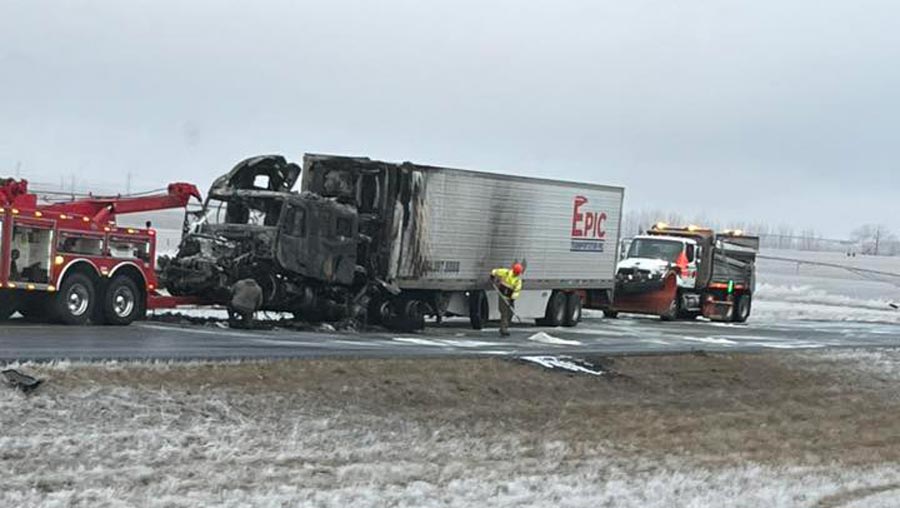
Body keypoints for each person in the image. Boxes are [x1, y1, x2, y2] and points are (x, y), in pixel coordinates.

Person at [490, 262, 524, 337]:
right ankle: (503, 329)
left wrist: (512, 299)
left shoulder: (518, 280)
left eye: (518, 273)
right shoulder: (506, 273)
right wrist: (492, 276)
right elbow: (495, 271)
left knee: (510, 313)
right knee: (504, 313)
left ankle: (505, 326)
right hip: (502, 296)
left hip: (510, 298)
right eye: (516, 272)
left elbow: (516, 291)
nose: (517, 274)